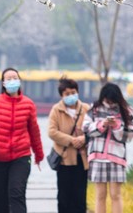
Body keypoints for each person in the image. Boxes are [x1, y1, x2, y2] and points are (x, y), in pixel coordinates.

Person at [0, 68, 44, 213]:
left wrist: (38, 154)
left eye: (14, 77)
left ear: (19, 80)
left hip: (21, 156)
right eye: (8, 79)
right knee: (0, 198)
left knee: (17, 193)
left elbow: (34, 131)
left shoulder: (28, 104)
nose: (12, 81)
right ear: (3, 83)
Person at [83, 82, 133, 213]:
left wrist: (116, 126)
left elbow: (130, 135)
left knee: (115, 195)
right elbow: (85, 128)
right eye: (107, 100)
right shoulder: (94, 109)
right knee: (100, 195)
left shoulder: (125, 111)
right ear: (103, 97)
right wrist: (102, 124)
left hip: (116, 158)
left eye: (113, 100)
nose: (110, 103)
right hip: (97, 157)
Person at [48, 76, 90, 213]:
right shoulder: (56, 110)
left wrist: (84, 139)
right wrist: (71, 140)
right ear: (62, 95)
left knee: (80, 196)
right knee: (64, 196)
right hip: (64, 159)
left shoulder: (86, 109)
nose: (71, 96)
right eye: (67, 94)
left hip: (81, 159)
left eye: (73, 92)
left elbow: (94, 130)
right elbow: (52, 132)